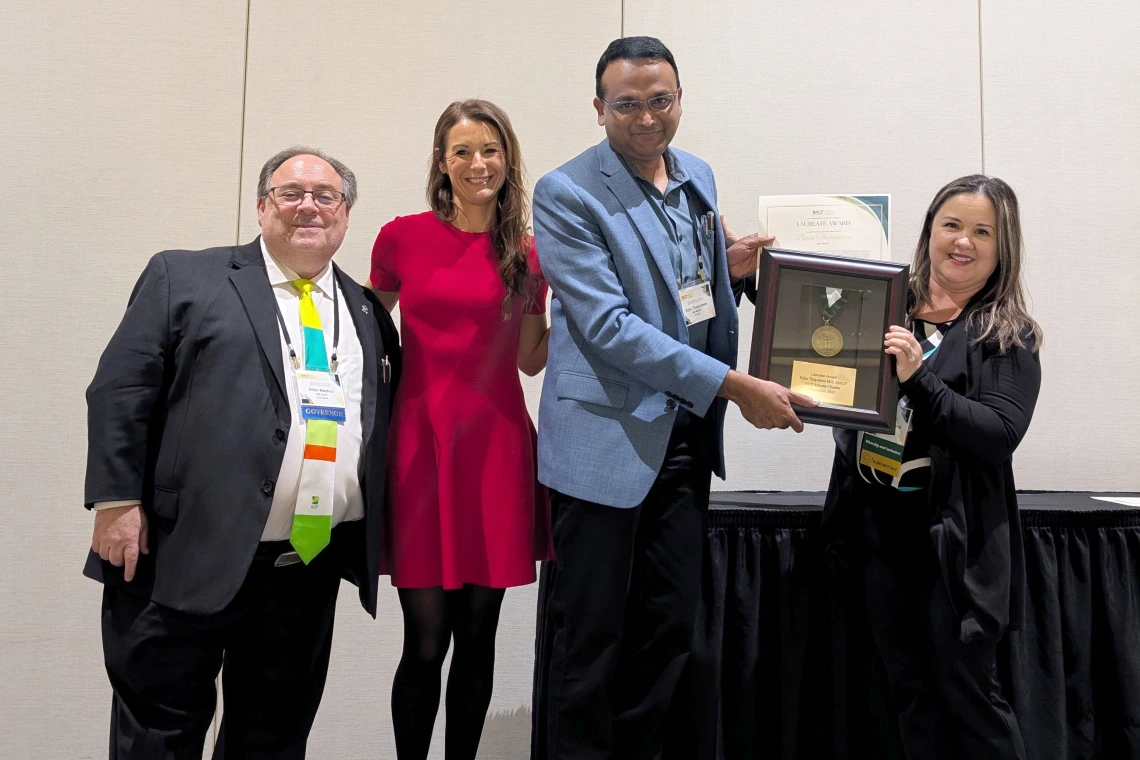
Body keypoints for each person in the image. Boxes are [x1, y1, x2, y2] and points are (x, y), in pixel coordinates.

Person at [531, 36, 817, 759]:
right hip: (604, 442)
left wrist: (731, 267)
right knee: (589, 640)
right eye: (627, 104)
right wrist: (734, 386)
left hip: (684, 438)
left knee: (666, 632)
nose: (646, 118)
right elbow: (608, 326)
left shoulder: (698, 177)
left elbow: (678, 287)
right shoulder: (567, 193)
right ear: (599, 109)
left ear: (680, 99)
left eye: (660, 101)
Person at [84, 146, 400, 759]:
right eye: (290, 192)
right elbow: (121, 387)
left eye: (325, 195)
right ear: (261, 206)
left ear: (346, 213)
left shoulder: (366, 311)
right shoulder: (186, 276)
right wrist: (116, 499)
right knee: (158, 738)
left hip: (302, 572)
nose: (308, 205)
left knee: (273, 741)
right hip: (180, 559)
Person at [822, 175, 1042, 759]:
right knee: (910, 697)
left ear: (1002, 248)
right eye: (951, 224)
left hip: (953, 546)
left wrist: (919, 380)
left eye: (981, 231)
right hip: (878, 533)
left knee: (971, 699)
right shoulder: (883, 303)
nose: (962, 241)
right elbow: (813, 335)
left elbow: (996, 435)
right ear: (928, 231)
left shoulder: (1007, 334)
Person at [367, 99, 553, 760]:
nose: (478, 163)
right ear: (442, 163)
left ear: (509, 160)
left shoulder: (529, 253)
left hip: (496, 447)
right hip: (419, 446)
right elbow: (363, 336)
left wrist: (580, 310)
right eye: (463, 151)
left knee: (479, 635)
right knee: (425, 638)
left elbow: (531, 357)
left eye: (490, 150)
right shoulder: (399, 237)